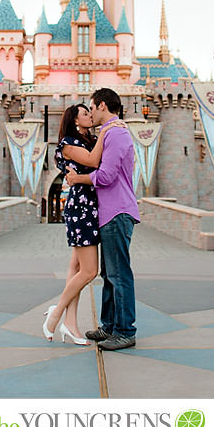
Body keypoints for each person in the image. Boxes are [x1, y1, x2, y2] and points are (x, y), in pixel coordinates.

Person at [41, 104, 125, 345]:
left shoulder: (92, 139)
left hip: (95, 206)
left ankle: (71, 324)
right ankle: (56, 314)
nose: (90, 116)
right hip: (81, 208)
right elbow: (92, 159)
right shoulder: (68, 143)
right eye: (85, 113)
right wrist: (109, 129)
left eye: (91, 112)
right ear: (75, 121)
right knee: (89, 271)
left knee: (75, 269)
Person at [65, 88, 140, 351]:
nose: (91, 113)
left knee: (119, 274)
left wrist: (78, 179)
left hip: (118, 211)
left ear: (103, 106)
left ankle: (125, 330)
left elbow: (106, 176)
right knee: (110, 273)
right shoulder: (110, 132)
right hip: (110, 212)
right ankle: (109, 325)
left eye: (93, 108)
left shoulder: (117, 133)